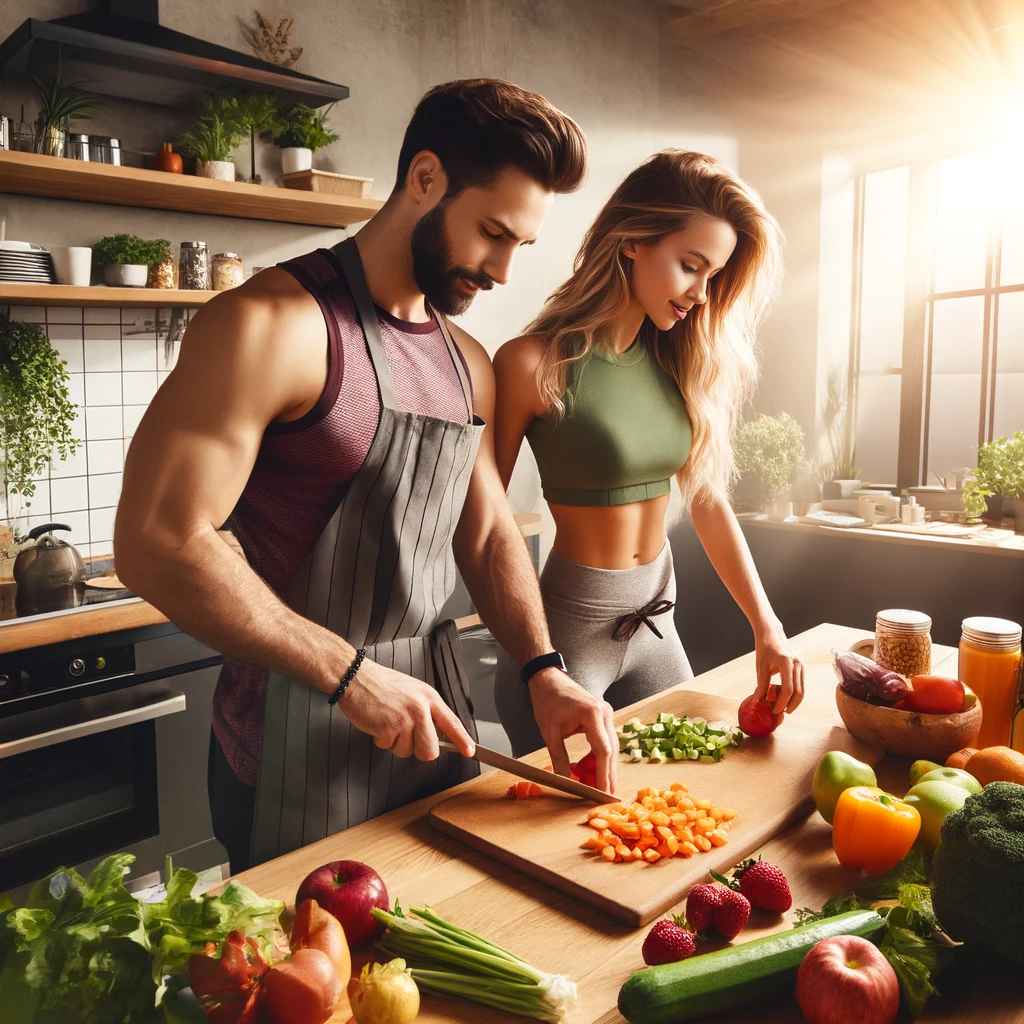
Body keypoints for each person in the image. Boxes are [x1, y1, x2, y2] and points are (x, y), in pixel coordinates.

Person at [115, 79, 620, 873]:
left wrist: (543, 671)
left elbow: (484, 532)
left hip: (434, 735)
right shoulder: (269, 325)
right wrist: (349, 675)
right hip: (290, 743)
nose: (503, 270)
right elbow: (157, 542)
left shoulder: (467, 364)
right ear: (425, 178)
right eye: (492, 233)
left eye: (520, 243)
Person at [491, 150, 805, 757]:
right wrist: (536, 661)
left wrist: (768, 627)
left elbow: (709, 500)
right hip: (565, 635)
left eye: (711, 275)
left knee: (689, 794)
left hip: (657, 621)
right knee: (571, 834)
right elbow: (485, 518)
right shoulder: (531, 364)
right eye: (691, 265)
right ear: (633, 240)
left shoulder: (678, 365)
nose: (702, 294)